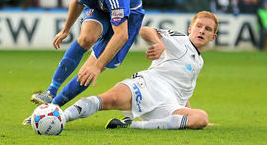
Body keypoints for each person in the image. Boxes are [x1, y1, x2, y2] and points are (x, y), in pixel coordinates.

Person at [60, 11, 218, 130]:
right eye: (199, 26)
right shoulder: (180, 40)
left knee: (201, 118)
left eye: (207, 29)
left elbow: (181, 90)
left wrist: (190, 115)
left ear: (213, 36)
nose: (202, 31)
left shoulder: (198, 60)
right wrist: (159, 43)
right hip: (147, 86)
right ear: (190, 28)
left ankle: (135, 125)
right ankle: (61, 117)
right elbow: (144, 30)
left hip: (167, 104)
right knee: (107, 100)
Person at [26, 0, 145, 117]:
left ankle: (51, 110)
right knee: (86, 38)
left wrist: (97, 66)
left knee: (87, 72)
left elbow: (121, 35)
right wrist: (66, 29)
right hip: (101, 7)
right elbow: (78, 2)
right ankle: (51, 91)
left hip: (128, 20)